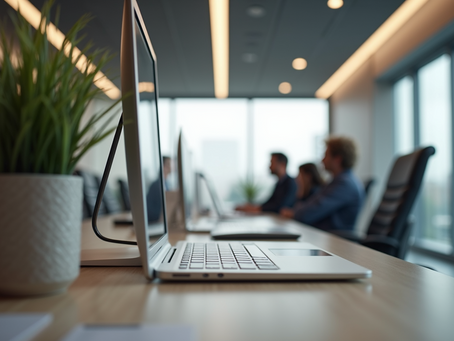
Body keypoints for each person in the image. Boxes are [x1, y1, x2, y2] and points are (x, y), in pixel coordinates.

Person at [280, 137, 364, 231]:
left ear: (337, 159)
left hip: (335, 240)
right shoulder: (338, 180)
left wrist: (294, 213)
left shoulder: (344, 183)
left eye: (326, 155)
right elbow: (311, 204)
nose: (322, 160)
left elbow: (309, 213)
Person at [146, 156, 172, 222]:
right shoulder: (157, 185)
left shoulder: (167, 184)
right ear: (163, 166)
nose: (171, 167)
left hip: (162, 221)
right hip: (154, 221)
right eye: (168, 164)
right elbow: (151, 211)